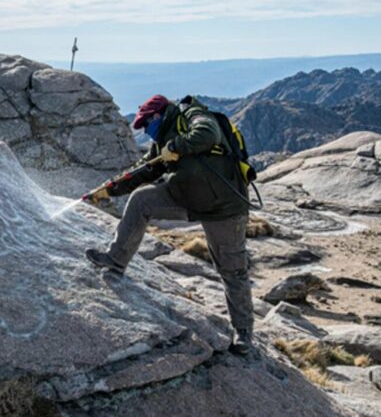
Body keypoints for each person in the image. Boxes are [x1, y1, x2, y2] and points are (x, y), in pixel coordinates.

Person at [85, 94, 254, 354]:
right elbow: (143, 170)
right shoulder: (162, 141)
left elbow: (207, 135)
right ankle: (116, 259)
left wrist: (176, 147)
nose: (147, 131)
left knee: (232, 271)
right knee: (141, 199)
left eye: (147, 124)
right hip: (187, 199)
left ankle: (243, 333)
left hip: (225, 208)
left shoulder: (192, 115)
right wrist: (107, 190)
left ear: (159, 115)